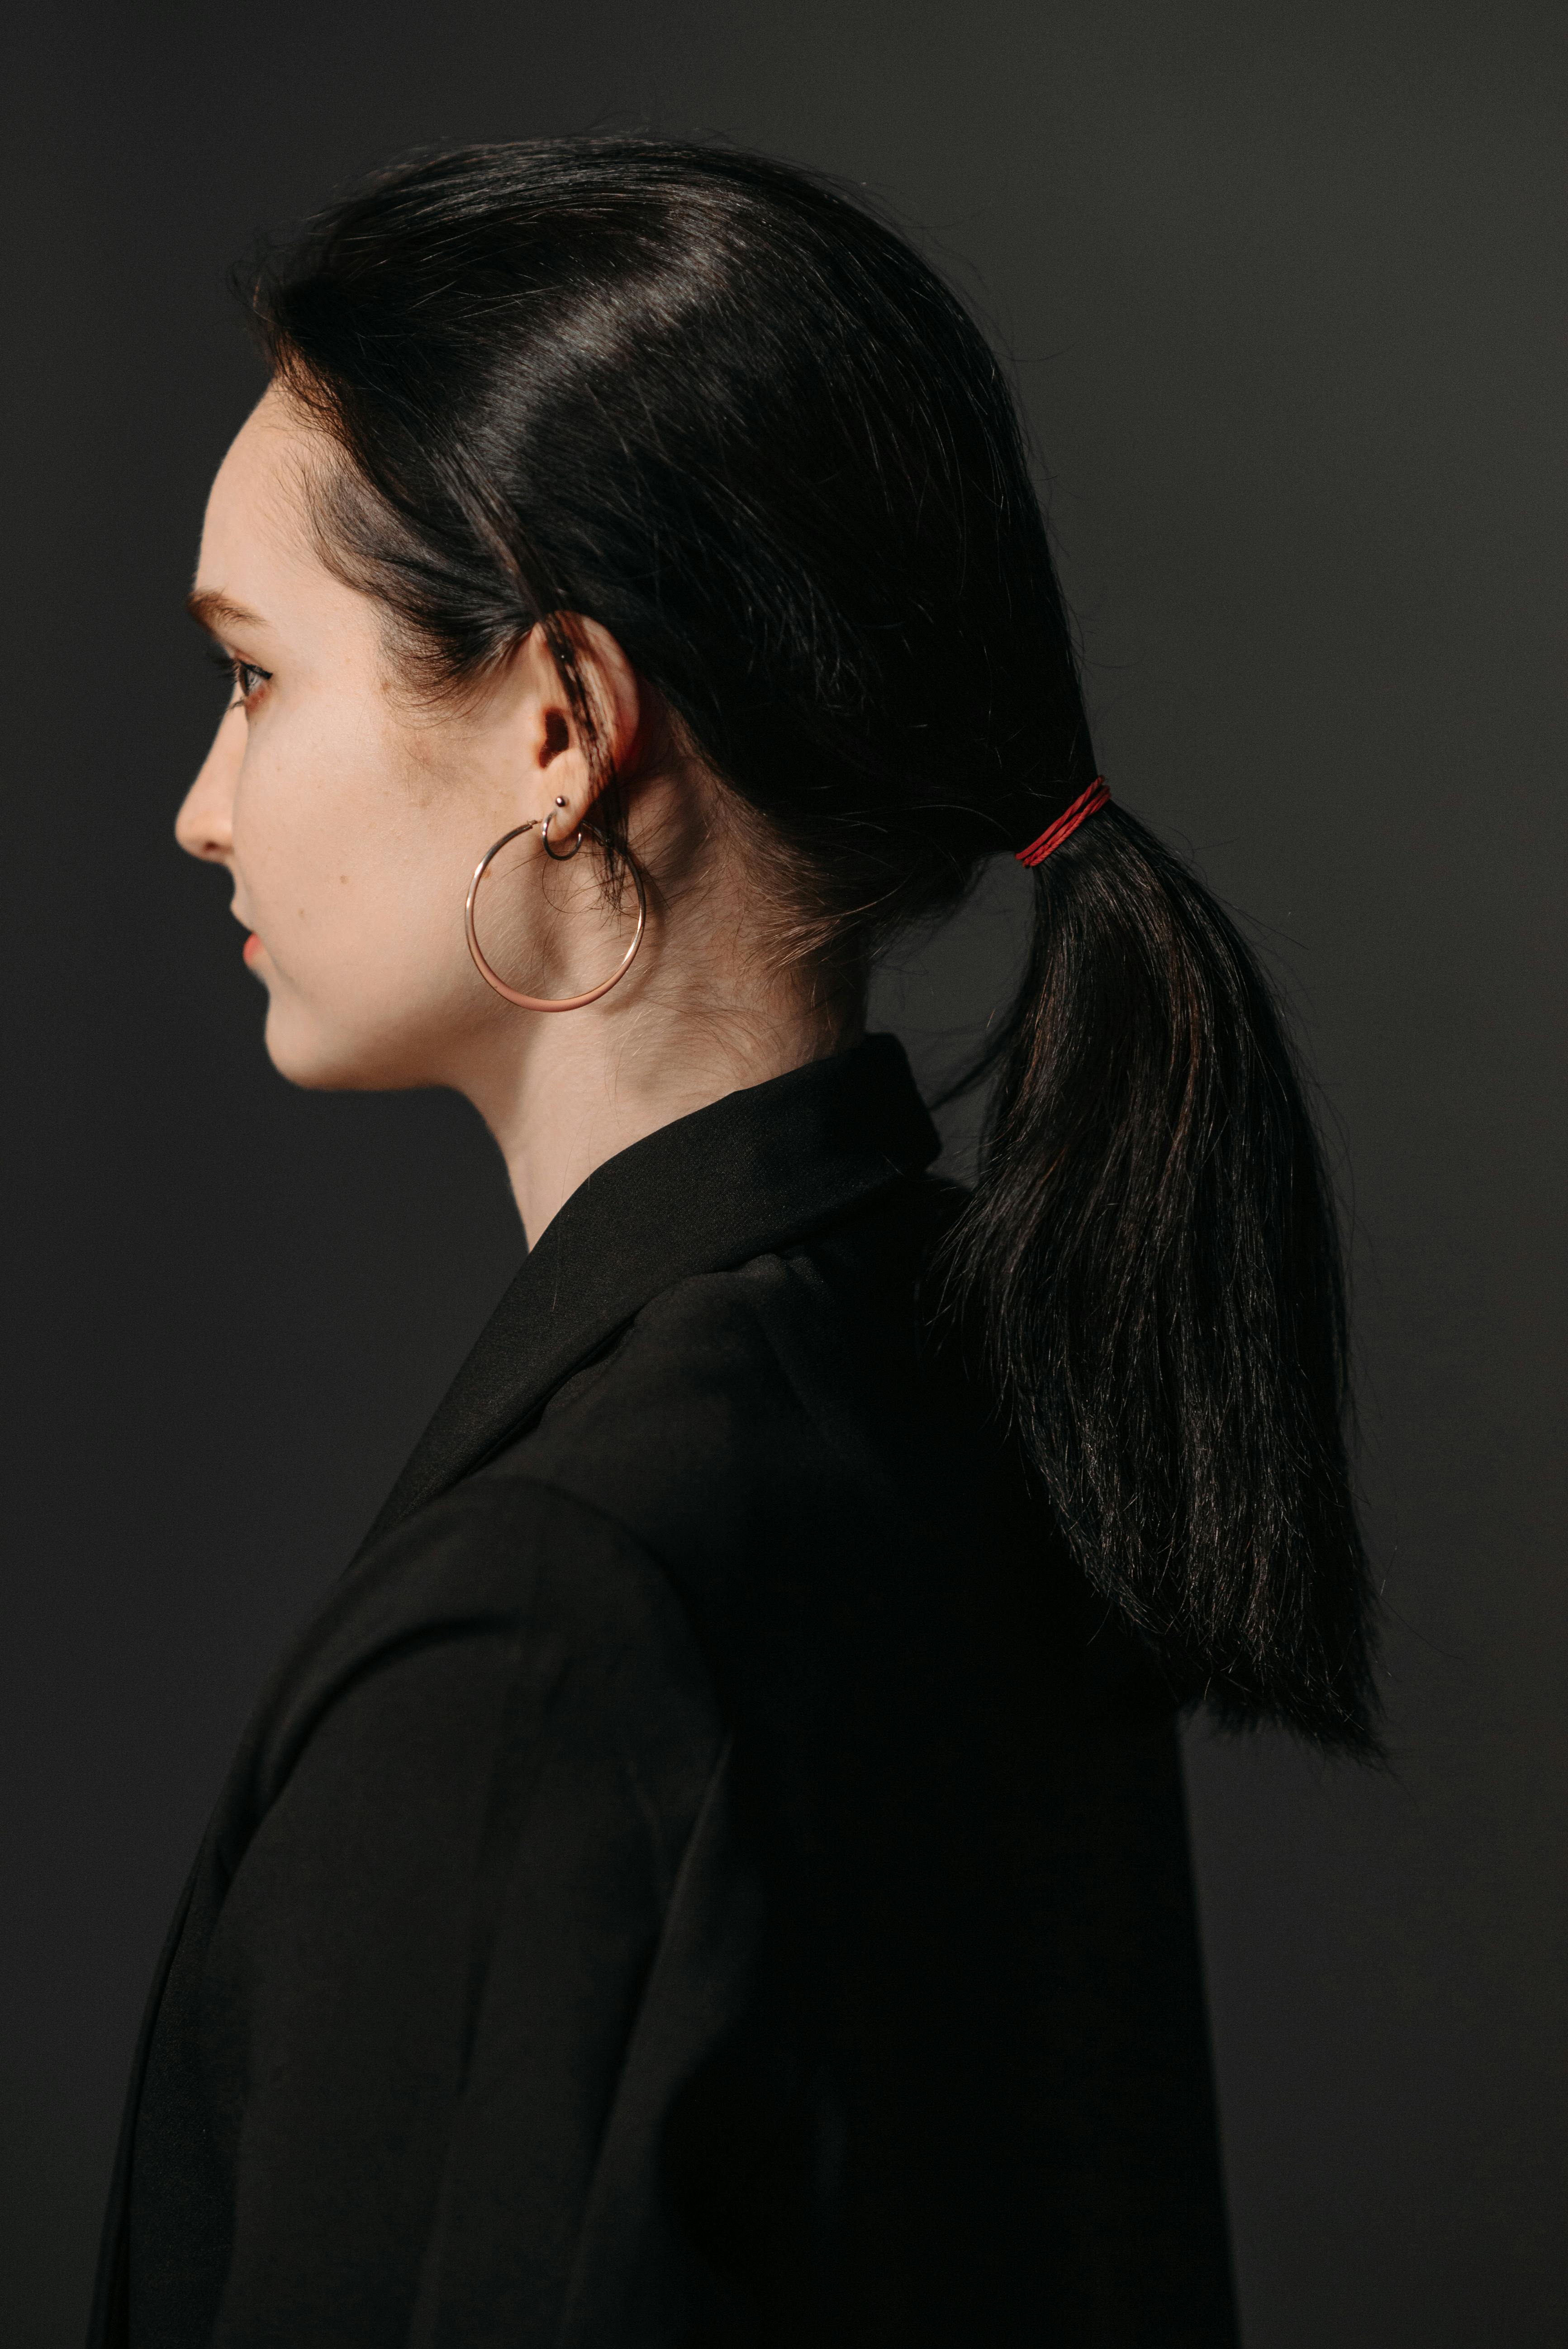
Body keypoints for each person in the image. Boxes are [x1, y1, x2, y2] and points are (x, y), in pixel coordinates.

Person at [90, 139, 1378, 2349]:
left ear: (561, 726)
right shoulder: (958, 1388)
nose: (203, 802)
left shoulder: (553, 1630)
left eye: (257, 674)